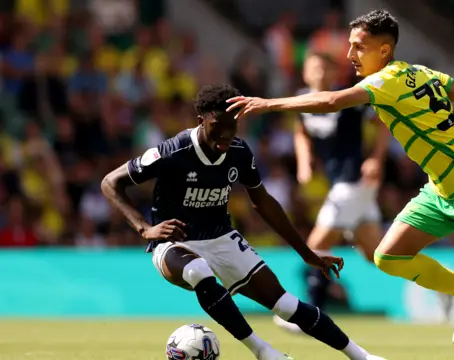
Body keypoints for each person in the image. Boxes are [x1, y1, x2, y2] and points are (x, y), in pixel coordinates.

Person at [226, 10, 454, 360]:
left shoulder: (383, 82)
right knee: (388, 256)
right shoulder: (420, 73)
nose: (350, 55)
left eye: (360, 47)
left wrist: (269, 103)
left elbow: (330, 101)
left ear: (385, 51)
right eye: (350, 46)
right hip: (441, 190)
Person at [101, 84, 386, 360]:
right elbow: (111, 183)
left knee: (286, 304)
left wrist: (308, 254)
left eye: (233, 126)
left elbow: (264, 203)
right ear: (201, 120)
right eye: (218, 126)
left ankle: (361, 356)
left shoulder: (238, 152)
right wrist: (145, 229)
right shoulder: (173, 151)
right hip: (174, 243)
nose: (225, 135)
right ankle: (263, 351)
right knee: (198, 269)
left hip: (221, 238)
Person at [273, 52, 388, 332]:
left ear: (335, 73)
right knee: (381, 256)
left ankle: (309, 318)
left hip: (354, 182)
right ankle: (442, 289)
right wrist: (303, 161)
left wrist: (375, 159)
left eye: (326, 67)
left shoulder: (346, 98)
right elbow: (301, 131)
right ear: (305, 74)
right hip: (343, 185)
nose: (320, 72)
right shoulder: (303, 100)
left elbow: (382, 123)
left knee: (316, 247)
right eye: (314, 67)